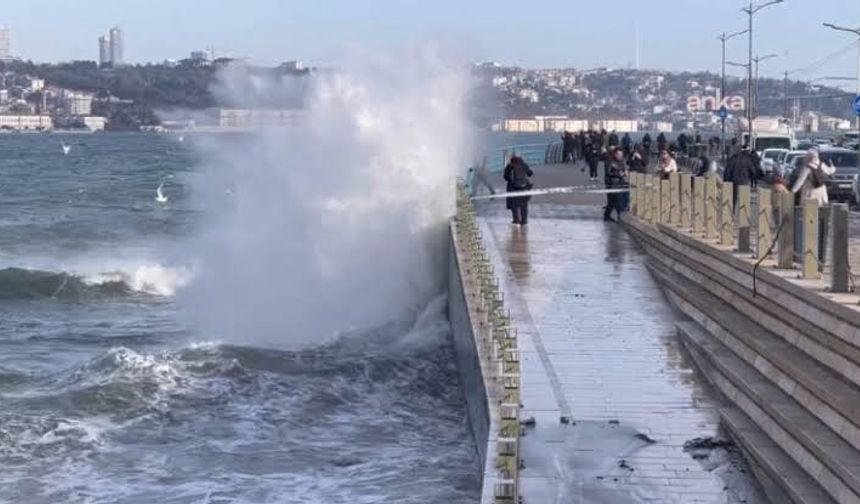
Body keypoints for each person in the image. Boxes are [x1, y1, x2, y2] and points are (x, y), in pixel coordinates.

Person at [504, 155, 534, 225]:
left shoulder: (510, 166)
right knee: (524, 205)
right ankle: (524, 220)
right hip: (525, 187)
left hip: (514, 187)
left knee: (514, 204)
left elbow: (506, 177)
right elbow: (530, 173)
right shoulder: (524, 165)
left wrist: (510, 180)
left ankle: (516, 219)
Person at [604, 148, 628, 222]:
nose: (620, 156)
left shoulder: (622, 161)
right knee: (612, 200)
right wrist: (618, 174)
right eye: (618, 154)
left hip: (620, 182)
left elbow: (623, 170)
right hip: (612, 183)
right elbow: (608, 172)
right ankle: (608, 215)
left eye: (621, 155)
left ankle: (616, 216)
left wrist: (625, 173)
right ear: (614, 154)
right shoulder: (610, 162)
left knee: (617, 201)